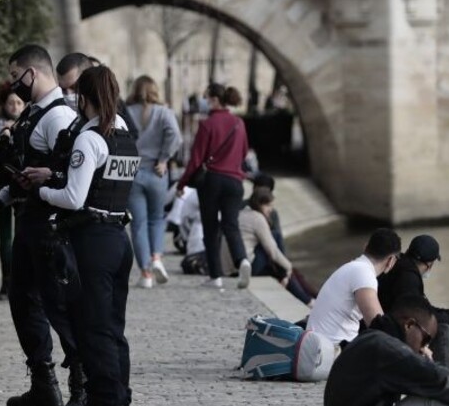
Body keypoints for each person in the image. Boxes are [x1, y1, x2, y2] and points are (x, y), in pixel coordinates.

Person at [20, 65, 137, 406]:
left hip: (93, 242)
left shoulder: (89, 138)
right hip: (119, 237)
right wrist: (55, 178)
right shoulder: (124, 135)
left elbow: (74, 197)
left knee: (94, 330)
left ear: (82, 98)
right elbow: (103, 183)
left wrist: (40, 192)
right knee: (113, 330)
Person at [0, 44, 84, 406]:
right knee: (24, 302)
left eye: (15, 76)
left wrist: (43, 185)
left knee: (60, 308)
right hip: (29, 220)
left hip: (51, 226)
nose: (13, 84)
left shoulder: (59, 117)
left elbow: (69, 175)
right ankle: (43, 384)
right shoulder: (34, 114)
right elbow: (25, 171)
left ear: (32, 74)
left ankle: (81, 387)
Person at [177, 83, 252, 289]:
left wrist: (182, 183)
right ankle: (242, 260)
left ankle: (215, 276)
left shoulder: (207, 124)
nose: (204, 101)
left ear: (215, 100)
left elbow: (196, 158)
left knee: (210, 227)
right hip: (235, 181)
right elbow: (244, 152)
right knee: (231, 225)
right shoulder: (239, 123)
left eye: (206, 97)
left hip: (212, 180)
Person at [376, 235, 449, 368]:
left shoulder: (400, 265)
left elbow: (424, 308)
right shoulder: (408, 278)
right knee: (443, 330)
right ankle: (443, 376)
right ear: (430, 264)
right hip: (389, 333)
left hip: (384, 327)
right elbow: (421, 314)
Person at [125, 75, 183, 288]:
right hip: (157, 171)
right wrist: (164, 158)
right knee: (157, 218)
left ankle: (146, 274)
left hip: (133, 172)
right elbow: (175, 135)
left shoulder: (127, 111)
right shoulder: (164, 112)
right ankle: (157, 257)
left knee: (138, 224)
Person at [306, 229, 402, 348]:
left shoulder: (352, 268)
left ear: (366, 246)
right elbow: (379, 326)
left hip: (317, 346)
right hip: (329, 351)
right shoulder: (364, 273)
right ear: (391, 260)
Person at [0, 83, 27, 301]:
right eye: (11, 103)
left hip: (22, 183)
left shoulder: (29, 125)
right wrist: (4, 135)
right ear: (3, 104)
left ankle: (20, 282)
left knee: (21, 234)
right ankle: (6, 282)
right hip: (0, 182)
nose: (15, 107)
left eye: (19, 102)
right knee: (5, 236)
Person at [239, 187, 316, 306]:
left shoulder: (243, 213)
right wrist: (288, 267)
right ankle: (308, 300)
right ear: (259, 204)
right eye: (268, 205)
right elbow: (272, 251)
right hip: (246, 268)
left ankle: (308, 299)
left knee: (278, 267)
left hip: (236, 266)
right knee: (275, 237)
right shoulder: (257, 218)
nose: (271, 209)